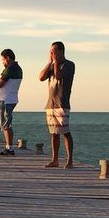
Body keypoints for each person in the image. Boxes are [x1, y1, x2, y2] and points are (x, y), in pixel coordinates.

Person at [38, 40, 75, 168]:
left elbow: (59, 76)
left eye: (54, 51)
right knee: (54, 132)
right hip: (51, 104)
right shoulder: (52, 65)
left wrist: (56, 62)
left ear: (61, 51)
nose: (52, 53)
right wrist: (50, 62)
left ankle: (69, 161)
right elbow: (41, 77)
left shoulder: (69, 65)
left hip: (62, 103)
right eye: (51, 51)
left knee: (65, 132)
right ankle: (55, 160)